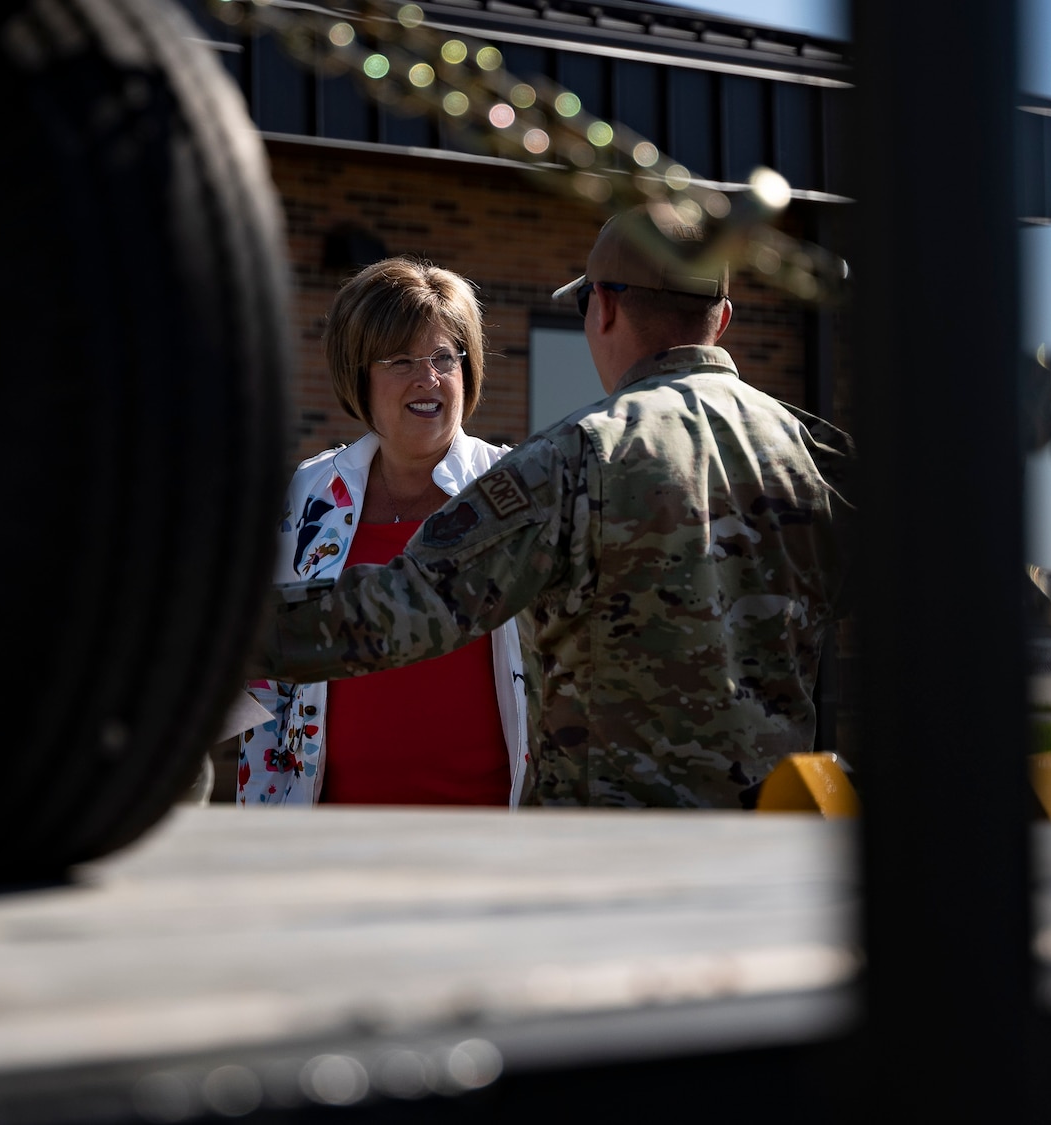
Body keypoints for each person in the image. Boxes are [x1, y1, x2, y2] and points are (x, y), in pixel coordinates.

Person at [251, 205, 853, 808]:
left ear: (605, 309)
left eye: (442, 358)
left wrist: (208, 635)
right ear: (720, 319)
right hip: (766, 846)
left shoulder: (574, 457)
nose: (428, 378)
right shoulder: (816, 454)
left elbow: (408, 606)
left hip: (602, 847)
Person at [239, 258, 530, 807]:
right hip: (334, 836)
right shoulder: (309, 493)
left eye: (444, 357)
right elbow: (268, 672)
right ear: (358, 376)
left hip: (492, 834)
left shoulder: (514, 489)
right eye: (400, 360)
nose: (429, 378)